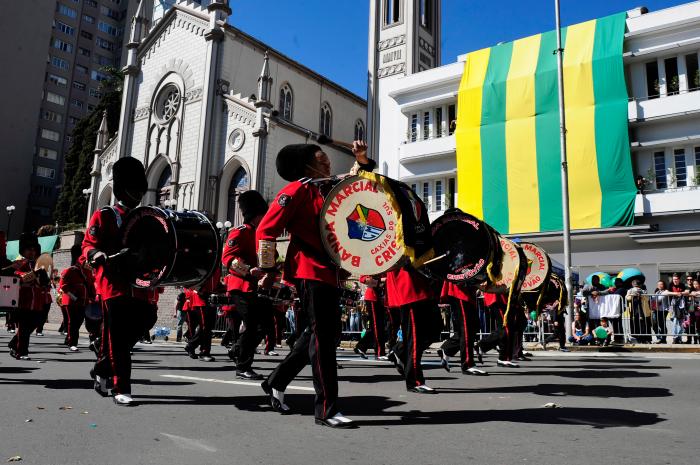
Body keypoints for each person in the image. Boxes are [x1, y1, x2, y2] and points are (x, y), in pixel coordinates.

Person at [257, 141, 372, 428]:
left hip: (328, 272)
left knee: (325, 336)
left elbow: (356, 185)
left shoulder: (326, 189)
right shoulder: (297, 190)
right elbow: (265, 229)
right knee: (323, 340)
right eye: (322, 158)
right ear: (307, 163)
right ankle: (326, 409)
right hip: (310, 271)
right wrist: (269, 269)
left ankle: (276, 380)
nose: (328, 162)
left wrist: (360, 159)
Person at [82, 156, 153, 406]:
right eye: (134, 190)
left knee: (146, 320)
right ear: (123, 190)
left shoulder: (145, 218)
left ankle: (101, 369)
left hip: (139, 288)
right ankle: (120, 387)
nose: (138, 195)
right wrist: (96, 254)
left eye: (140, 190)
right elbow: (88, 244)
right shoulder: (105, 215)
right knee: (119, 339)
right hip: (112, 284)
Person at [221, 189, 271, 379]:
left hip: (257, 287)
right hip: (240, 286)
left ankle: (237, 350)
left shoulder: (261, 234)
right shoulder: (239, 232)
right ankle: (243, 367)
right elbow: (228, 257)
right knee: (251, 325)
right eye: (261, 215)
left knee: (264, 325)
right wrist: (248, 270)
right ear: (254, 215)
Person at [7, 233, 50, 360]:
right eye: (29, 249)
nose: (32, 252)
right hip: (23, 299)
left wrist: (42, 277)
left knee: (36, 322)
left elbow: (44, 282)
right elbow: (16, 276)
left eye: (33, 249)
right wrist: (27, 276)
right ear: (23, 250)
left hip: (36, 299)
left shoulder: (39, 264)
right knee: (24, 326)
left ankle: (14, 344)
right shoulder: (19, 263)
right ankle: (22, 351)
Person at [437, 281, 487, 375]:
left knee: (471, 328)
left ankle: (448, 348)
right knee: (467, 328)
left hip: (468, 290)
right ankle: (468, 364)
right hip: (460, 290)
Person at [59, 245, 96, 351]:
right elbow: (63, 287)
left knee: (78, 322)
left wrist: (92, 297)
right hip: (71, 302)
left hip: (83, 302)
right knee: (73, 322)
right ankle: (72, 343)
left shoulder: (88, 272)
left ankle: (69, 339)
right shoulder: (70, 270)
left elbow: (91, 286)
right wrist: (75, 298)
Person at [185, 266, 222, 362]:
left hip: (212, 298)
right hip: (201, 298)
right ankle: (204, 352)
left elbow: (216, 283)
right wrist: (199, 289)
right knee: (205, 327)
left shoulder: (218, 266)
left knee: (208, 327)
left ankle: (191, 345)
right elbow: (189, 280)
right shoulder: (205, 261)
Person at [354, 274, 387, 360]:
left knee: (377, 327)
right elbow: (363, 278)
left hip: (380, 299)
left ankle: (361, 346)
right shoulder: (372, 267)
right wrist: (382, 280)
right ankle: (380, 352)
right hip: (372, 298)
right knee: (377, 327)